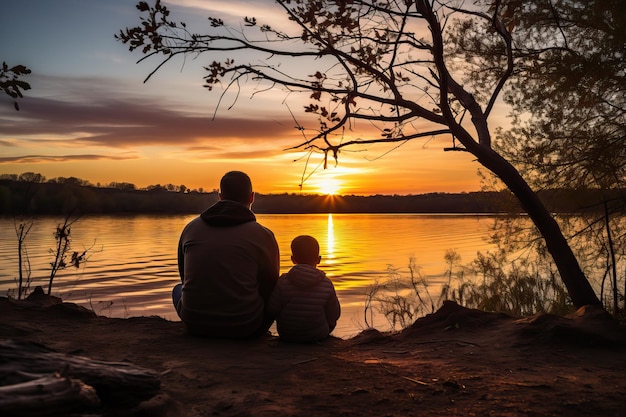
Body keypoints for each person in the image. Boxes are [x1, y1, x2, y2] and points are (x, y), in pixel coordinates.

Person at [172, 171, 280, 338]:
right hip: (245, 327)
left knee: (178, 290)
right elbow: (270, 287)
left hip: (195, 324)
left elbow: (184, 276)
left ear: (220, 196)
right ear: (252, 197)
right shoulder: (264, 236)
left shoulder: (191, 228)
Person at [267, 235, 341, 343]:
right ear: (319, 259)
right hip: (317, 335)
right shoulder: (326, 283)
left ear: (293, 259)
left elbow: (272, 310)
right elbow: (335, 314)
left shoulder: (282, 281)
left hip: (287, 335)